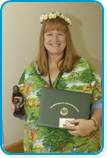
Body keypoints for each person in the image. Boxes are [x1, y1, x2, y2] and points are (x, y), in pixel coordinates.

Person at [12, 12, 102, 153]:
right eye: (49, 34)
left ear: (67, 38)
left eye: (60, 33)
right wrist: (18, 108)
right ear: (42, 38)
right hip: (38, 149)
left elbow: (100, 102)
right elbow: (25, 111)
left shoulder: (83, 66)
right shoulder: (30, 70)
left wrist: (93, 123)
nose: (55, 39)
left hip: (79, 148)